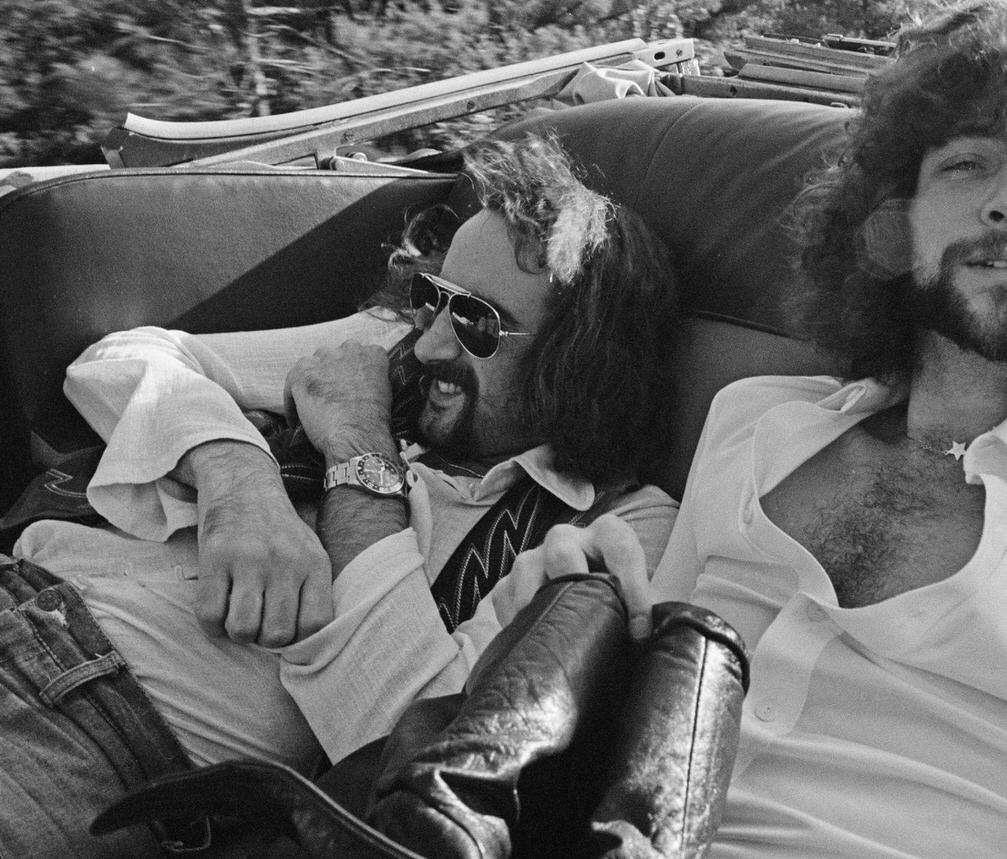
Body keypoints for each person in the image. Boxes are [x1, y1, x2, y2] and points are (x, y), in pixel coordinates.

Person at [511, 0, 1007, 857]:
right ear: (896, 219)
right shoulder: (749, 427)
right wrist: (593, 615)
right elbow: (656, 737)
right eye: (968, 163)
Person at [2, 135, 678, 857]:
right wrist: (239, 480)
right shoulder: (391, 349)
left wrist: (358, 444)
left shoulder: (609, 524)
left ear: (579, 363)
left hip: (88, 717)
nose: (429, 346)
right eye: (431, 298)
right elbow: (120, 359)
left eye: (477, 321)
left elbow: (407, 742)